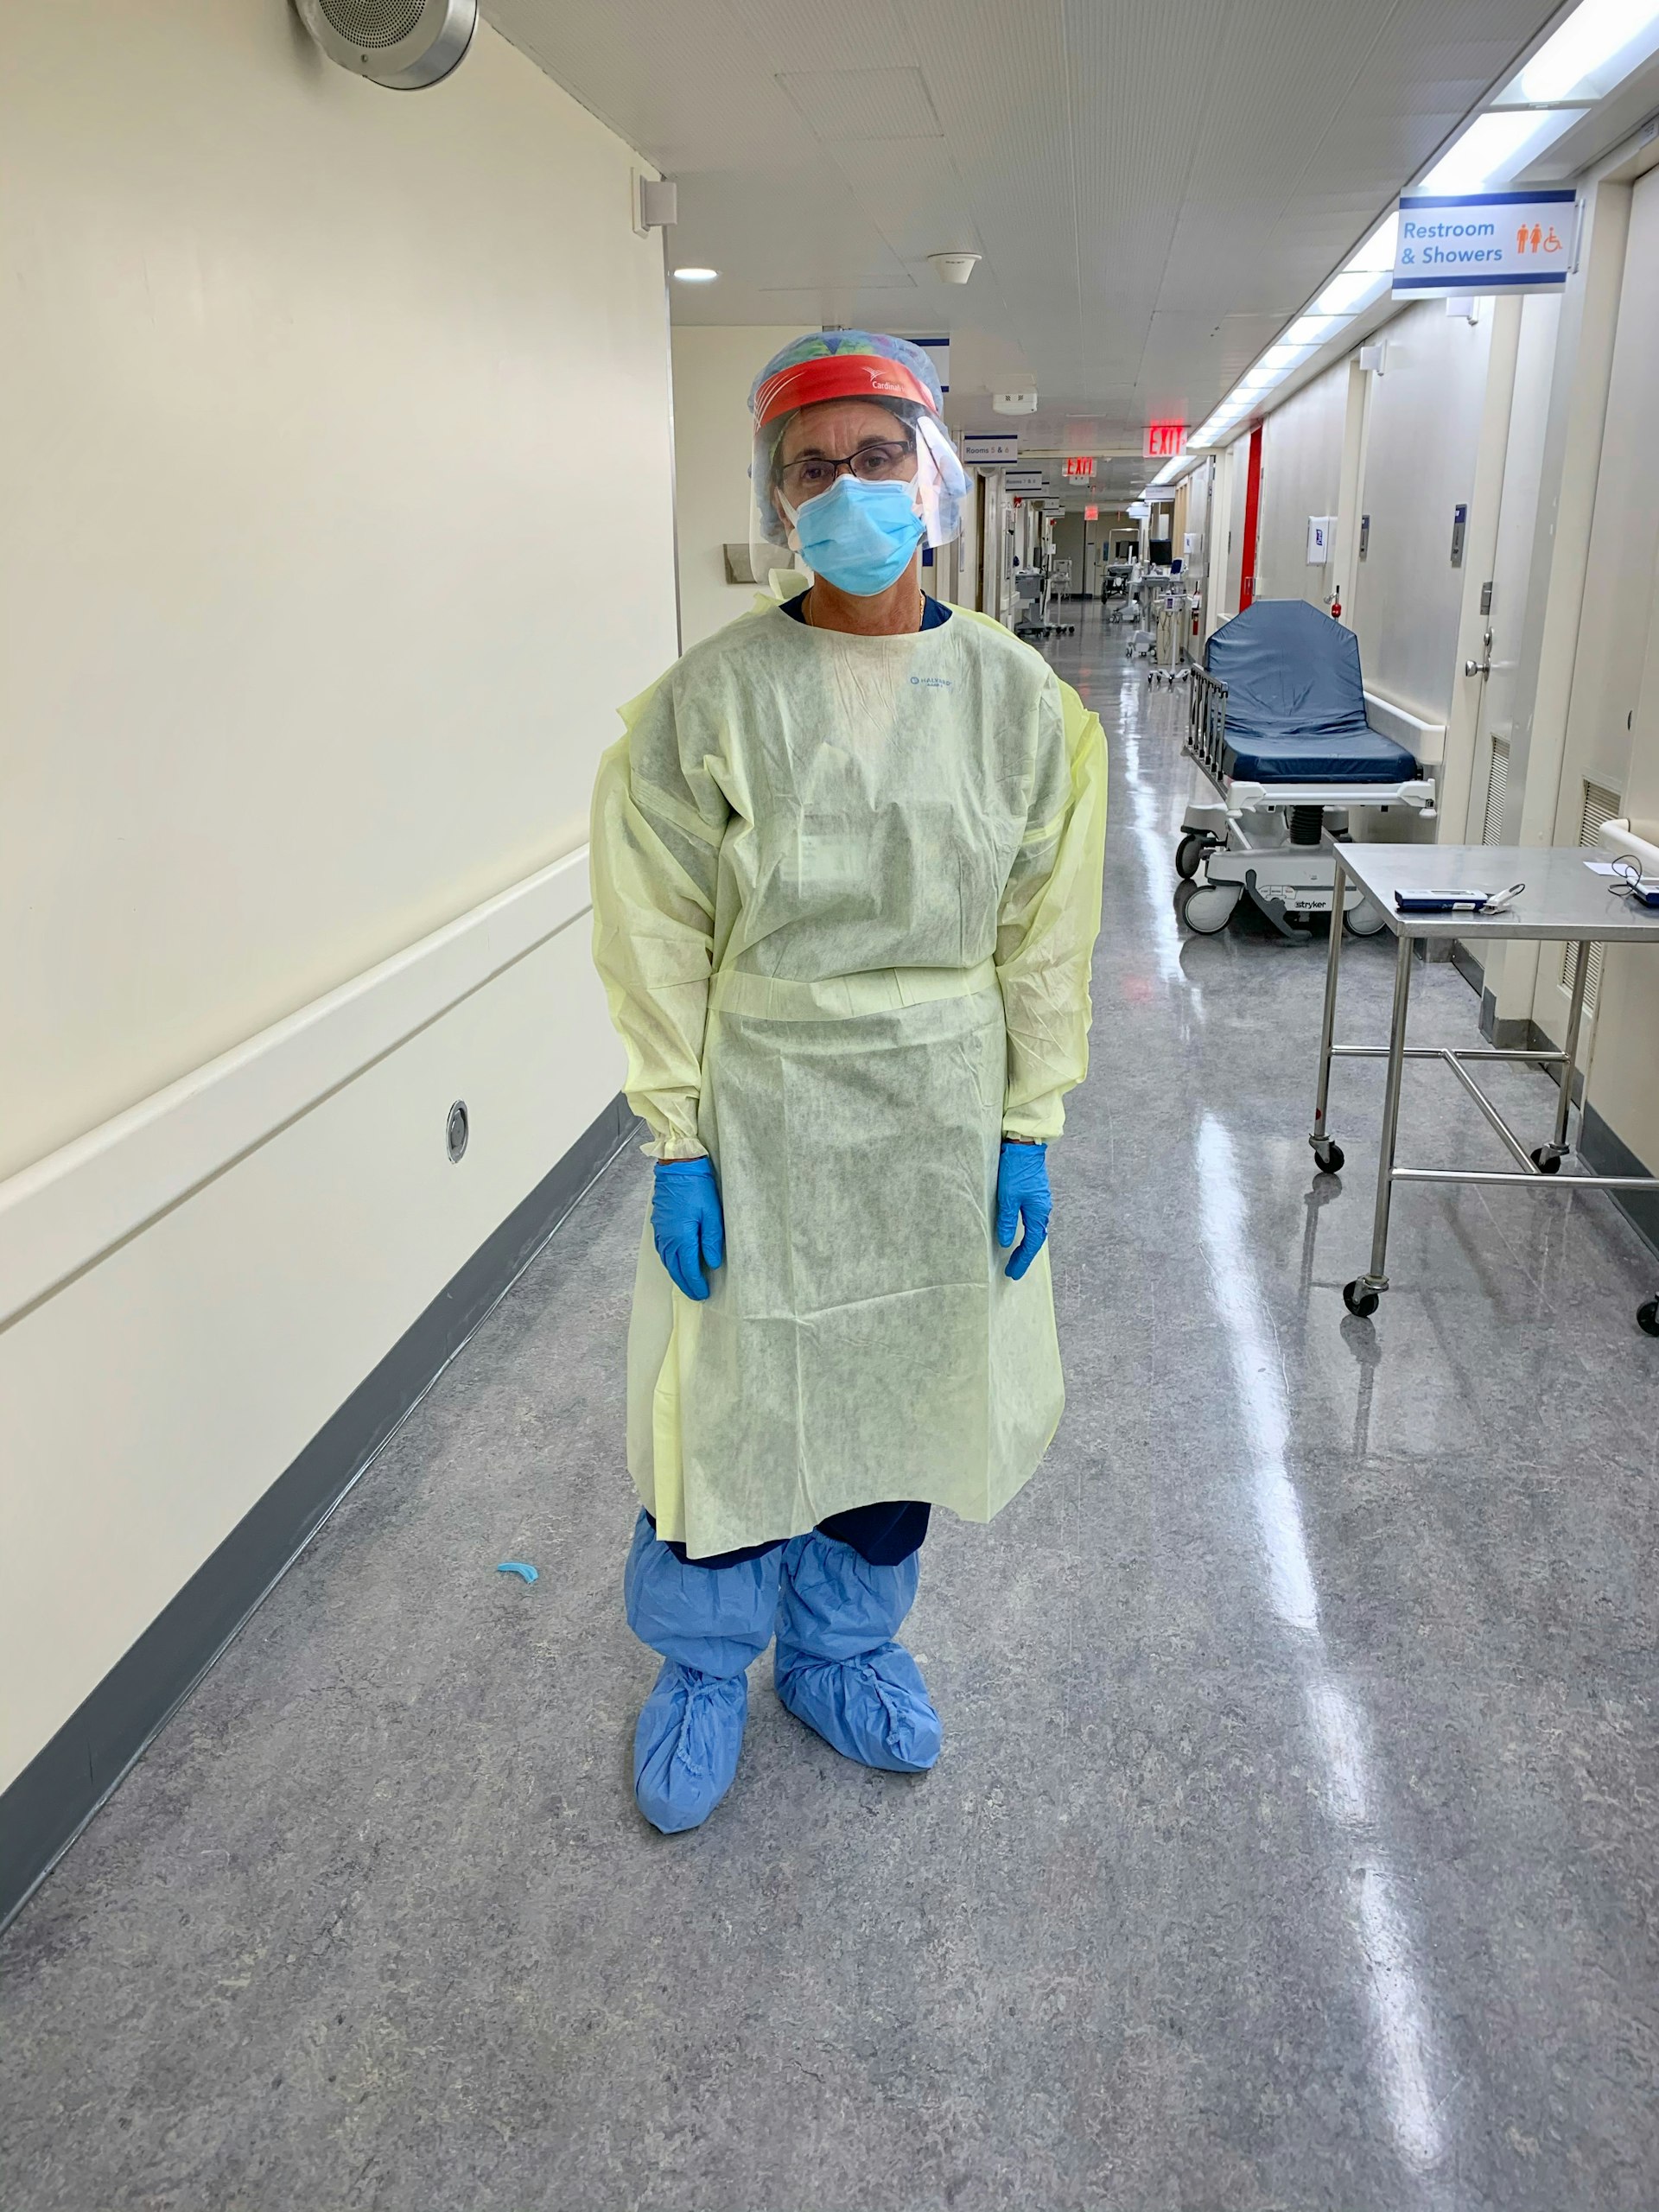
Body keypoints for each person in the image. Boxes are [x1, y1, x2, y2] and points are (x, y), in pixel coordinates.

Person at [591, 331, 1107, 1834]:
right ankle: (700, 1666)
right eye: (812, 467)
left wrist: (1027, 1125)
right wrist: (676, 1140)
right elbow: (654, 931)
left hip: (940, 1115)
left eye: (878, 456)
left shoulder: (1020, 704)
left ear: (932, 477)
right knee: (735, 1391)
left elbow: (1046, 933)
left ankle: (840, 1647)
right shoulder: (710, 704)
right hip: (762, 1112)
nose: (849, 488)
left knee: (900, 1385)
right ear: (777, 499)